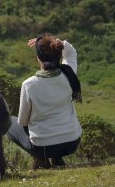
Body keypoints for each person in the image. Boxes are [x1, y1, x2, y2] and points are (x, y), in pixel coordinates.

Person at [13, 34, 82, 169]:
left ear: (38, 58)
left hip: (43, 148)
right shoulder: (69, 74)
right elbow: (71, 52)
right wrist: (58, 42)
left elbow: (23, 121)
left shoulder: (29, 85)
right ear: (59, 53)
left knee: (11, 124)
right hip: (72, 142)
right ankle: (57, 158)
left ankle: (41, 160)